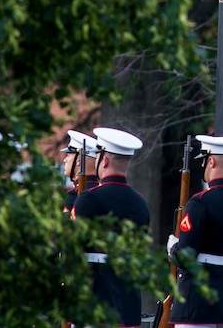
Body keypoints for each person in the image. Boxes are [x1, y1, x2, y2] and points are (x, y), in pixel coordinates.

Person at [167, 135, 223, 328]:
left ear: (211, 161)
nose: (203, 167)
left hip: (198, 301)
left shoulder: (201, 202)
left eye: (204, 162)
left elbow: (185, 256)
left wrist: (173, 247)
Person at [71, 127, 150, 328]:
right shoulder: (140, 202)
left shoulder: (89, 199)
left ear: (103, 161)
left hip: (96, 295)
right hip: (127, 298)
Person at [60, 129, 101, 214]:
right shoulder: (101, 192)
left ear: (79, 160)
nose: (65, 160)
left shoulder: (72, 197)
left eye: (68, 156)